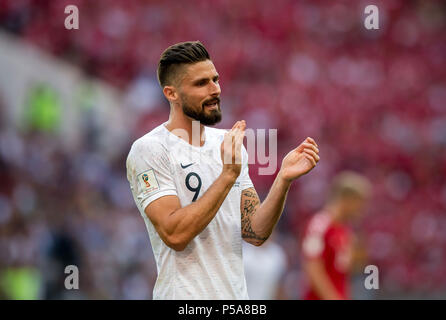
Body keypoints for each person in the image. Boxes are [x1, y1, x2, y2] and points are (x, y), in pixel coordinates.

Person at [126, 41, 320, 299]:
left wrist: (282, 179)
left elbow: (255, 232)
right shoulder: (150, 149)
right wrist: (228, 175)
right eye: (200, 83)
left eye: (215, 79)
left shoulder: (226, 143)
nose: (215, 89)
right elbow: (175, 234)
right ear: (171, 93)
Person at [301, 171, 372, 300]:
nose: (361, 209)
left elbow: (347, 268)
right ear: (347, 199)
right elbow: (313, 268)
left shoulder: (345, 230)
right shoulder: (319, 225)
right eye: (359, 203)